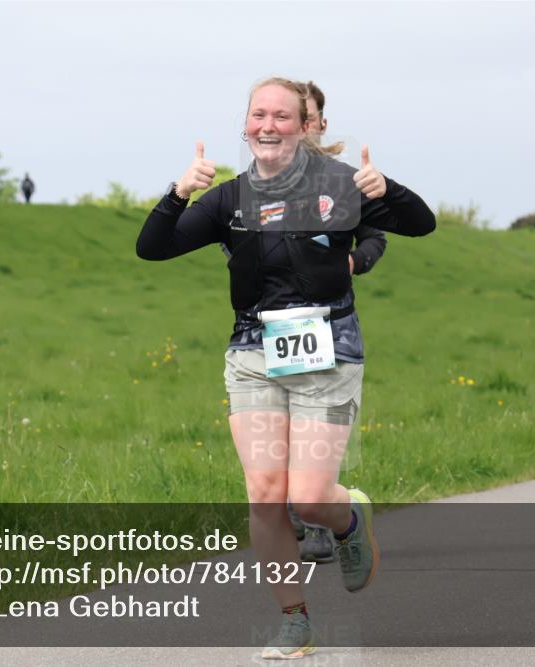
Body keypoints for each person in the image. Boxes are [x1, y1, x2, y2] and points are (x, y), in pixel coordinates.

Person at [137, 77, 435, 659]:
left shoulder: (341, 184)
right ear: (244, 125)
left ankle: (347, 521)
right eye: (257, 115)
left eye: (280, 116)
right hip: (252, 351)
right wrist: (178, 192)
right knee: (265, 493)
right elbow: (154, 247)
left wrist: (387, 188)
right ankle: (294, 619)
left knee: (308, 497)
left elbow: (419, 224)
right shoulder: (228, 197)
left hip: (328, 344)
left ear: (304, 125)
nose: (267, 126)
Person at [287, 80, 388, 565]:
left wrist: (354, 263)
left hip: (331, 325)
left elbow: (375, 237)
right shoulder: (258, 181)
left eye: (306, 118)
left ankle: (321, 522)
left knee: (317, 425)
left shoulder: (347, 181)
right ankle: (304, 509)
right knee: (280, 426)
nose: (298, 126)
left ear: (320, 124)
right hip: (273, 324)